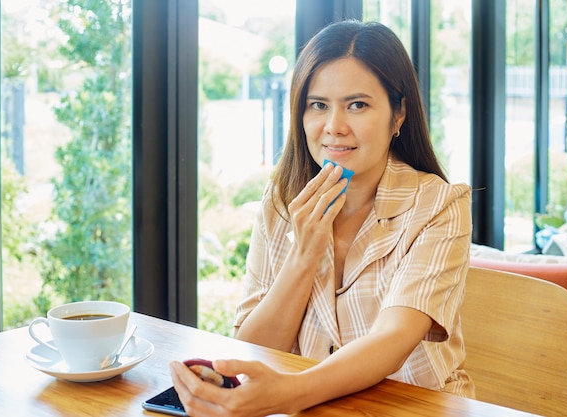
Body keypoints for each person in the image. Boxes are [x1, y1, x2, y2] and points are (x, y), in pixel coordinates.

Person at [170, 19, 474, 416]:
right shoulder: (280, 201)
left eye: (357, 105)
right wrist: (305, 253)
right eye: (318, 105)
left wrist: (289, 394)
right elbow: (255, 347)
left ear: (398, 115)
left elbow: (393, 339)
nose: (334, 127)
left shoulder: (440, 205)